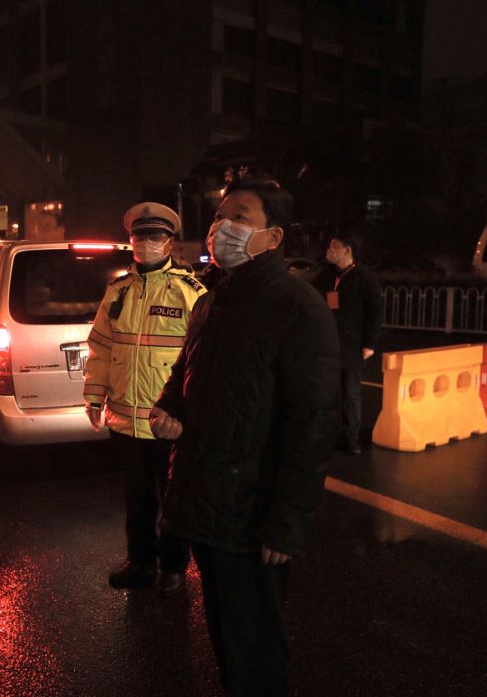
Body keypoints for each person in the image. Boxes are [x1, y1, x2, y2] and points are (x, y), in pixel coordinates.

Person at [149, 178, 339, 696]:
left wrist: (286, 524)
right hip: (206, 502)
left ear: (273, 237)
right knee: (225, 636)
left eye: (240, 216)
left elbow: (314, 424)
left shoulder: (298, 308)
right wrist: (167, 408)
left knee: (255, 647)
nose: (220, 227)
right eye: (218, 216)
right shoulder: (212, 303)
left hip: (253, 518)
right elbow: (185, 376)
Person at [84, 202, 206, 592]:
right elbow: (101, 347)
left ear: (170, 242)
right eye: (140, 236)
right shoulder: (118, 291)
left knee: (173, 503)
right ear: (130, 240)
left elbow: (202, 360)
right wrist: (93, 395)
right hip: (123, 421)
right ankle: (141, 563)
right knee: (137, 500)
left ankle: (172, 568)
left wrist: (191, 413)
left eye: (155, 236)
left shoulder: (192, 293)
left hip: (168, 422)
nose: (146, 242)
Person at [314, 232, 383, 454]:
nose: (329, 252)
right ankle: (327, 435)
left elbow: (375, 313)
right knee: (326, 392)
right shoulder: (324, 277)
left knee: (350, 393)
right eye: (329, 248)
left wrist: (369, 343)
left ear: (347, 250)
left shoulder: (364, 278)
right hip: (326, 345)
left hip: (352, 347)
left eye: (335, 247)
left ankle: (350, 437)